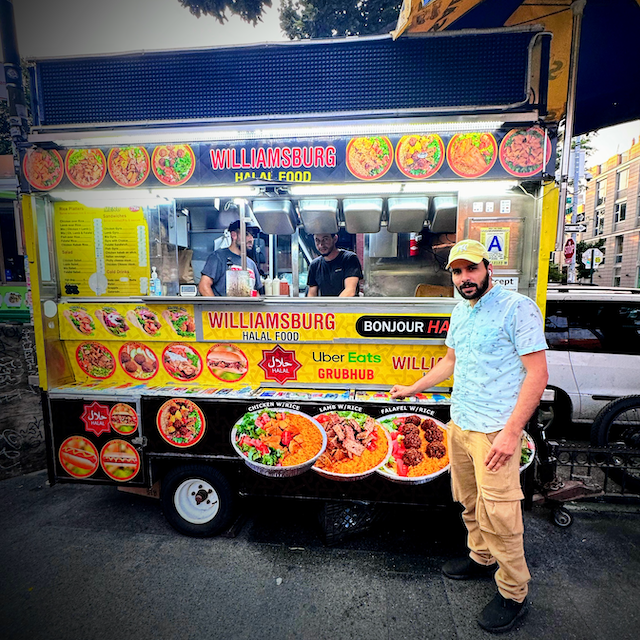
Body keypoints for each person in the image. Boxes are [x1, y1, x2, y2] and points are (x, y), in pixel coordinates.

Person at [390, 239, 548, 634]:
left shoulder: (518, 308)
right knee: (469, 500)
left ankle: (514, 592)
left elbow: (538, 374)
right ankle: (480, 557)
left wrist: (512, 434)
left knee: (502, 513)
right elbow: (450, 361)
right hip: (460, 423)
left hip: (496, 430)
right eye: (458, 272)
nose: (465, 278)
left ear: (487, 268)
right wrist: (414, 388)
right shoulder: (459, 311)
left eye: (471, 269)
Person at [198, 220, 262, 296]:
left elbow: (256, 292)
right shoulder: (218, 257)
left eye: (252, 235)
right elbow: (204, 286)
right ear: (234, 235)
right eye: (246, 234)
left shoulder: (251, 264)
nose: (251, 239)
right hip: (225, 307)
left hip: (246, 308)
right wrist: (217, 307)